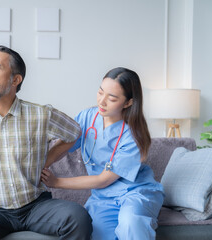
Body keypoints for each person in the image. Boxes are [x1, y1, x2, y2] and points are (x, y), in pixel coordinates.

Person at [0, 45, 92, 240]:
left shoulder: (41, 114)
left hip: (36, 206)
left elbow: (74, 132)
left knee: (79, 218)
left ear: (16, 79)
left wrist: (45, 160)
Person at [42, 67, 164, 240]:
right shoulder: (86, 117)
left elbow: (103, 179)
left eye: (112, 98)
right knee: (96, 234)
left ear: (128, 102)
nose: (102, 101)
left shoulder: (134, 135)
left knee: (131, 224)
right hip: (103, 198)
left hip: (135, 193)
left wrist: (56, 182)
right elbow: (63, 145)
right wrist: (41, 165)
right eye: (100, 92)